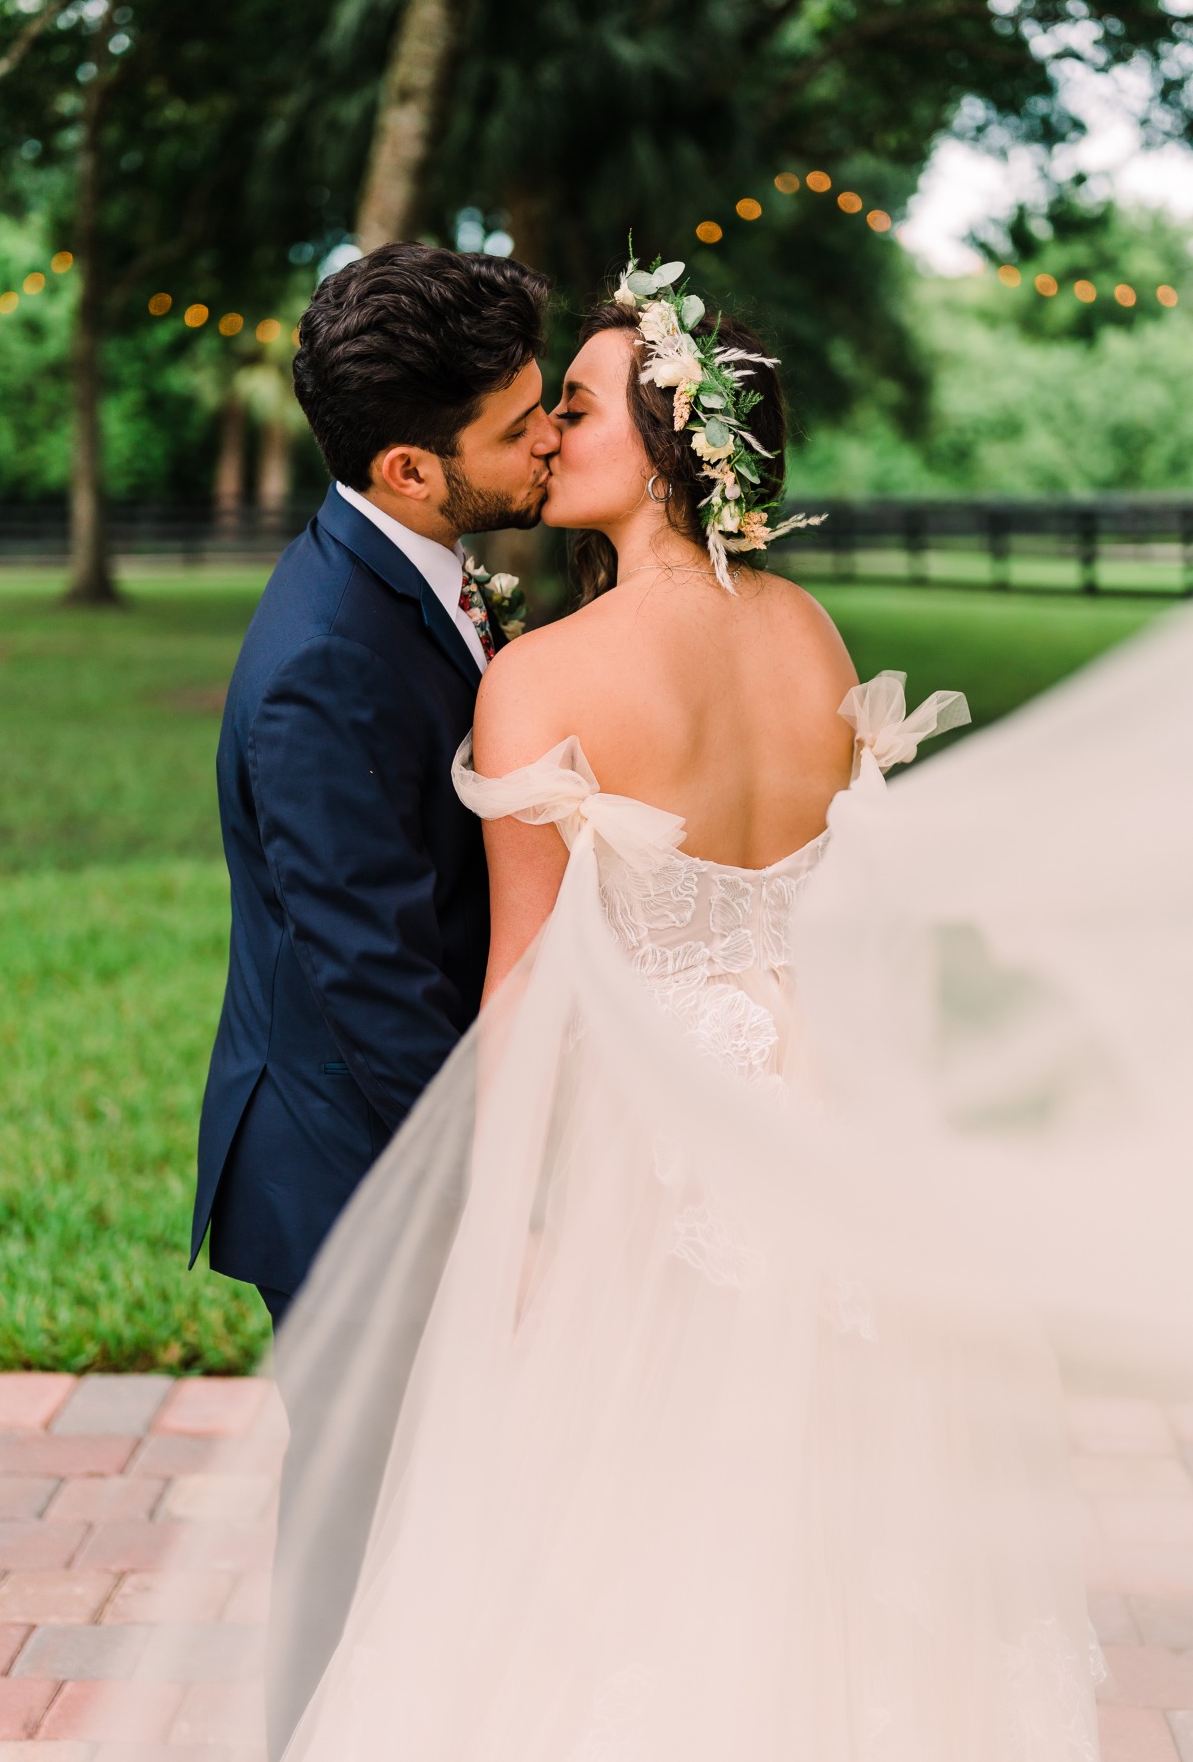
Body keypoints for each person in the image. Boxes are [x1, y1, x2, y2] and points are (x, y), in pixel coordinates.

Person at [258, 254, 1154, 1761]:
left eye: (580, 410)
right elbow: (826, 911)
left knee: (622, 1524)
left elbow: (529, 981)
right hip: (812, 1122)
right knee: (818, 1509)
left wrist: (510, 1230)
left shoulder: (539, 681)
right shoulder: (808, 637)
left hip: (647, 1155)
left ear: (668, 447)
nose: (549, 436)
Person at [191, 241, 557, 1326]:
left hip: (388, 1137)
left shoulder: (402, 567)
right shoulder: (325, 664)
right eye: (516, 427)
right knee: (367, 1498)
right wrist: (492, 1198)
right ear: (410, 468)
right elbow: (373, 972)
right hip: (356, 1173)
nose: (551, 436)